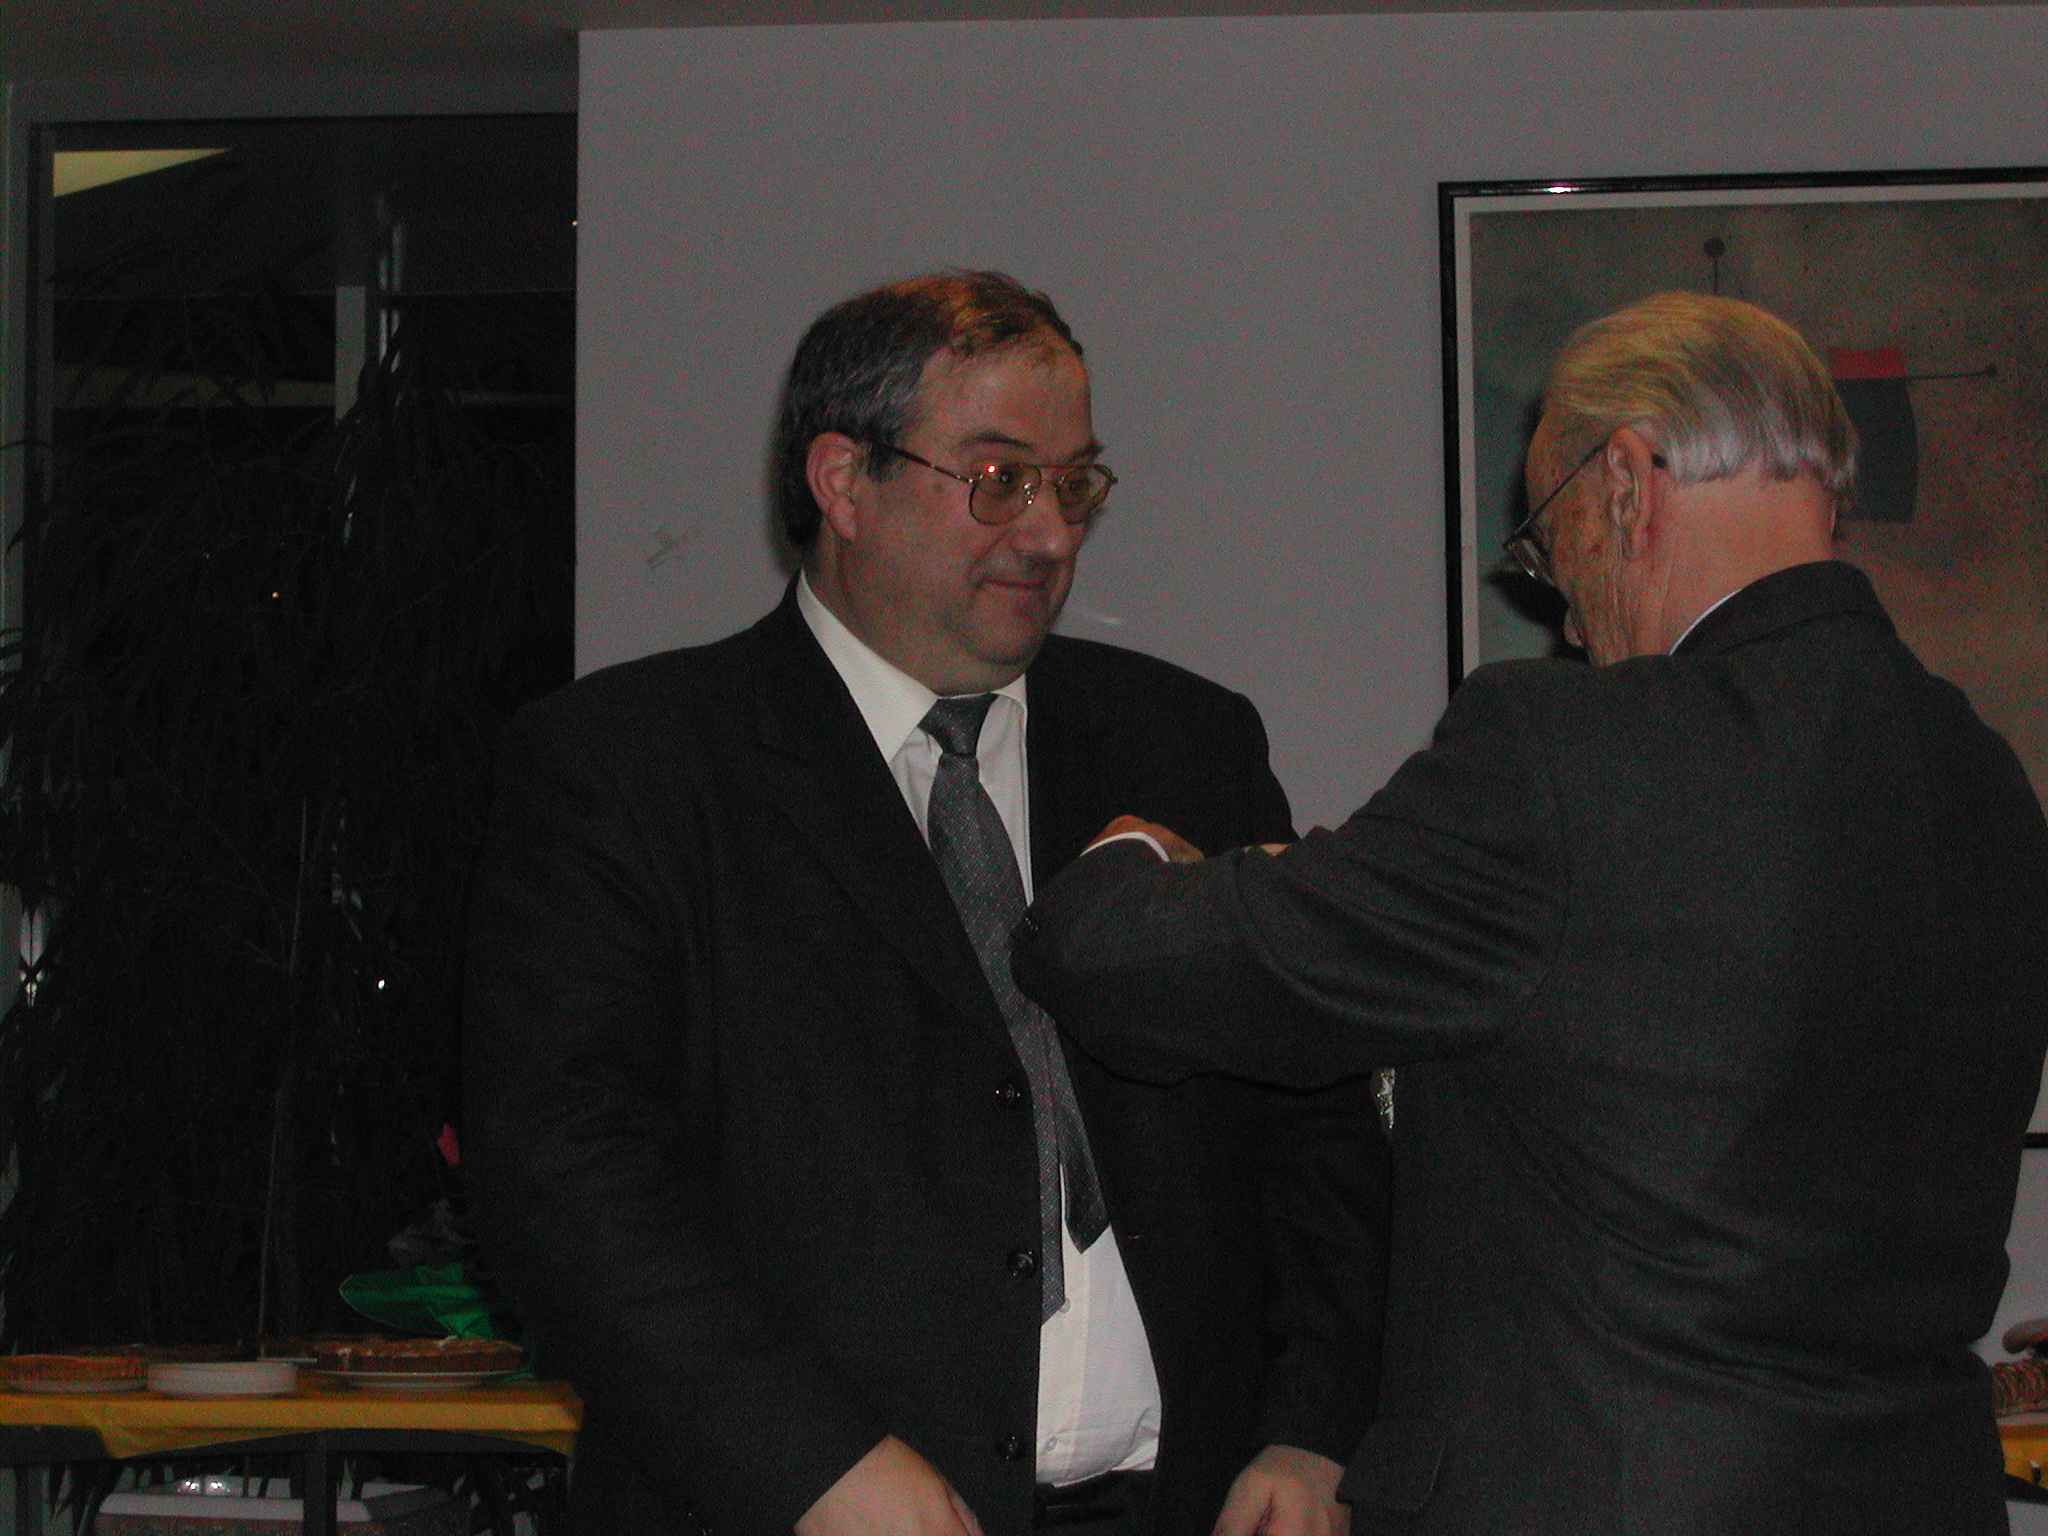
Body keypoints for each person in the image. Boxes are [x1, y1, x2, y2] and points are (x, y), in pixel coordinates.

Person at [1015, 292, 2048, 1535]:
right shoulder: (1979, 774)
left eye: (1548, 547)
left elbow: (1132, 965)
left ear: (1623, 481)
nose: (1560, 612)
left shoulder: (1568, 754)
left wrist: (1132, 854)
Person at [462, 270, 1388, 1536]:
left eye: (1074, 484)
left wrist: (1315, 1429)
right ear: (842, 482)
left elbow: (1316, 1125)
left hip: (1191, 1505)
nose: (1049, 535)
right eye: (998, 479)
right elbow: (566, 1177)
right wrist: (814, 1467)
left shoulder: (1185, 744)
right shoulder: (629, 767)